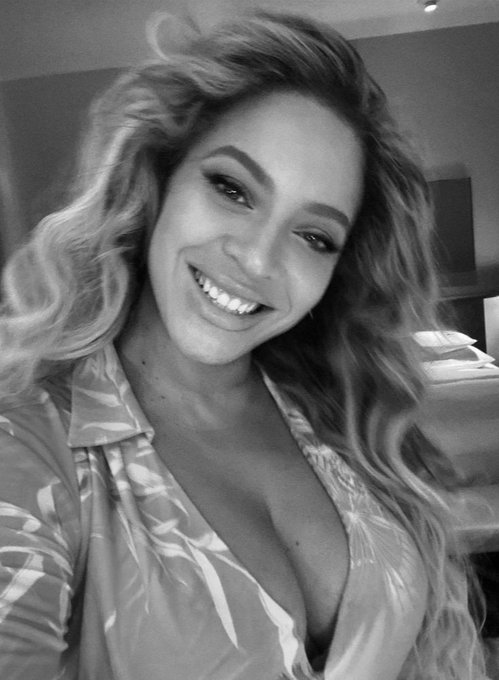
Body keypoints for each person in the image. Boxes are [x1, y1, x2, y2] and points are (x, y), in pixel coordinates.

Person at [0, 11, 488, 680]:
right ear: (158, 179)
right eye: (232, 188)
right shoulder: (30, 445)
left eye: (314, 236)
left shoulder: (338, 412)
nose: (258, 259)